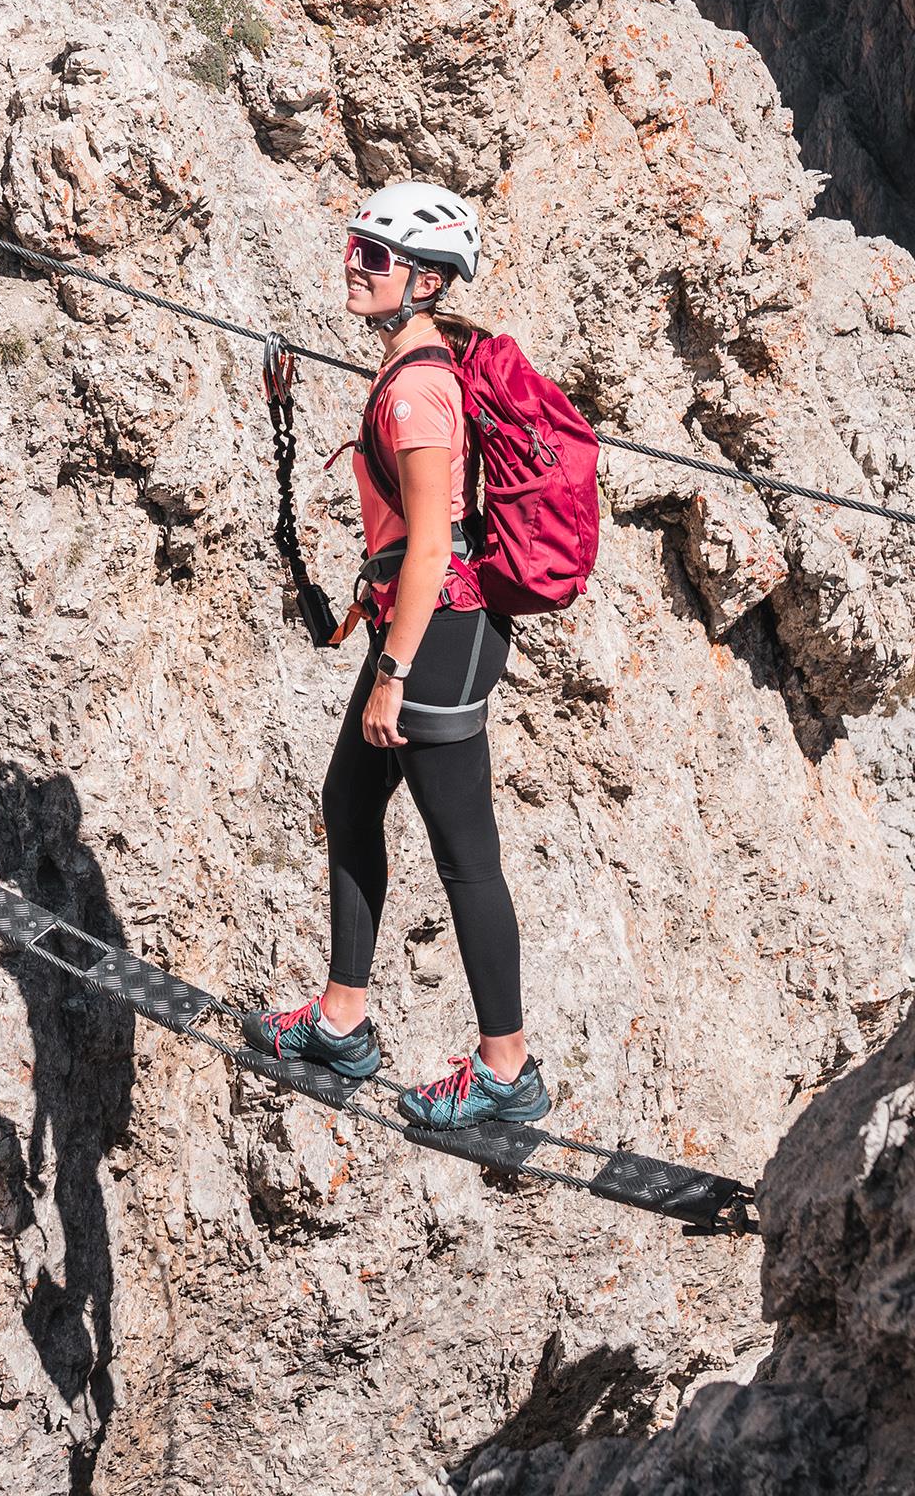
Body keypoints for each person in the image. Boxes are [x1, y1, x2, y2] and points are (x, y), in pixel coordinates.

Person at [245, 184, 550, 1132]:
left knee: (466, 860)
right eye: (354, 245)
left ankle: (507, 1069)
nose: (353, 263)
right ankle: (342, 1019)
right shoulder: (413, 364)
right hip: (421, 629)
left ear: (423, 281)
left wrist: (392, 673)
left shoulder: (417, 388)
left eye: (374, 256)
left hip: (435, 642)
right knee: (348, 800)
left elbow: (428, 544)